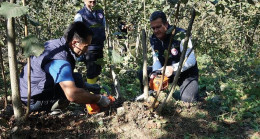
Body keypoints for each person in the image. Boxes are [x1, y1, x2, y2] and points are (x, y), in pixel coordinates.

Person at [19, 22, 110, 112]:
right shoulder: (60, 60)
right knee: (76, 85)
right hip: (32, 102)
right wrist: (98, 99)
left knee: (76, 79)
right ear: (74, 43)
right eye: (86, 46)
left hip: (29, 91)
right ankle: (53, 112)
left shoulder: (55, 44)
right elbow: (72, 94)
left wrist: (87, 86)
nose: (86, 51)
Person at [138, 11, 199, 103]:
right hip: (164, 72)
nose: (155, 31)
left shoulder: (181, 35)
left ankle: (184, 94)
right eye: (153, 28)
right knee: (144, 72)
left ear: (166, 24)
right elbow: (156, 59)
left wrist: (173, 68)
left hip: (185, 73)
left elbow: (191, 60)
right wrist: (155, 72)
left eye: (158, 27)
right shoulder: (153, 39)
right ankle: (150, 96)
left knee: (188, 99)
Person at [74, 0, 106, 84]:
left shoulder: (100, 12)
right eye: (90, 1)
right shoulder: (80, 14)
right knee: (91, 71)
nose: (92, 3)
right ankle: (91, 92)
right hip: (89, 48)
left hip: (100, 45)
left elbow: (103, 26)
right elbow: (78, 32)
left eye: (94, 1)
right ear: (84, 1)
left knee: (98, 69)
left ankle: (95, 88)